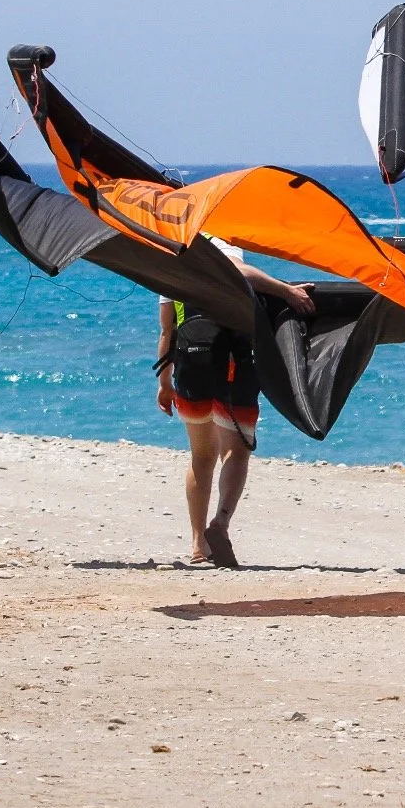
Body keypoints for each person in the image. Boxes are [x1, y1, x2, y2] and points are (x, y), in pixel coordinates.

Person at [155, 237, 314, 568]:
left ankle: (199, 546)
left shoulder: (169, 261)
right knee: (236, 451)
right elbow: (239, 271)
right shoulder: (220, 244)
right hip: (233, 367)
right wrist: (287, 292)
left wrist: (164, 383)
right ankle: (220, 524)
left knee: (201, 456)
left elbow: (166, 332)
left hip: (191, 368)